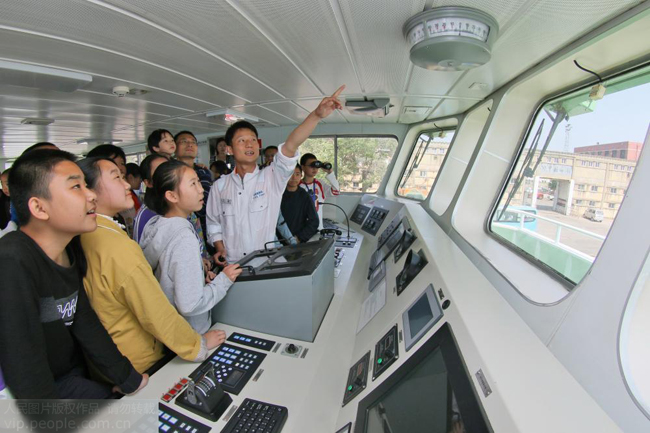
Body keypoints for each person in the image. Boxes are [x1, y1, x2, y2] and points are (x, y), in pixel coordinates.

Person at [0, 149, 147, 399]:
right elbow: (24, 366)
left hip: (67, 376)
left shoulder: (69, 249)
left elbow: (84, 320)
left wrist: (127, 378)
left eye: (86, 185)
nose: (91, 195)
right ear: (39, 207)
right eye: (76, 187)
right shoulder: (12, 261)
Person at [77, 157, 226, 373]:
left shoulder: (94, 233)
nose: (127, 185)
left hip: (115, 357)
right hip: (141, 359)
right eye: (117, 178)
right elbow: (155, 310)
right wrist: (197, 345)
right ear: (90, 191)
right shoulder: (116, 246)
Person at [206, 85, 345, 264]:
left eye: (253, 140)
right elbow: (213, 224)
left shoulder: (271, 178)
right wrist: (220, 249)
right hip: (232, 266)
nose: (249, 144)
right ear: (229, 149)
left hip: (264, 264)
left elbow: (290, 145)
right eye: (242, 141)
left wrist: (316, 115)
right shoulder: (219, 187)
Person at [140, 160, 242, 333]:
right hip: (190, 332)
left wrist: (199, 276)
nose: (201, 189)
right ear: (172, 196)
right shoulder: (184, 238)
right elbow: (190, 304)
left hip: (169, 329)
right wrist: (224, 280)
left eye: (198, 182)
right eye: (193, 184)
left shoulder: (157, 225)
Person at [86, 144, 135, 235]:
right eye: (116, 177)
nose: (128, 186)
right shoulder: (99, 233)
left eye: (122, 163)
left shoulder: (115, 220)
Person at [175, 131, 212, 238]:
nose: (190, 145)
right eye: (184, 141)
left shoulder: (203, 172)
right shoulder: (170, 174)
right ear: (174, 147)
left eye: (193, 142)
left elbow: (206, 204)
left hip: (205, 231)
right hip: (181, 229)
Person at [133, 153, 168, 244]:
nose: (170, 175)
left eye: (170, 168)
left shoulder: (182, 203)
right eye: (160, 172)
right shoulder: (146, 217)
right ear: (148, 183)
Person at [300, 153, 340, 229]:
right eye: (311, 165)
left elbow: (336, 192)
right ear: (303, 167)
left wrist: (330, 172)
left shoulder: (320, 184)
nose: (314, 168)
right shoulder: (297, 185)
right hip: (302, 228)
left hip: (318, 228)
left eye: (316, 166)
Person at [280, 165, 319, 243]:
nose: (294, 178)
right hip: (278, 240)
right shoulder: (278, 194)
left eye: (297, 174)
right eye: (290, 174)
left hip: (297, 240)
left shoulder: (304, 196)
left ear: (301, 175)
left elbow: (314, 221)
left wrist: (299, 238)